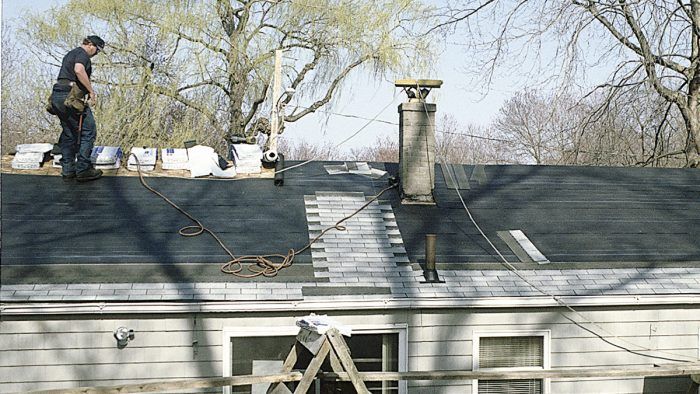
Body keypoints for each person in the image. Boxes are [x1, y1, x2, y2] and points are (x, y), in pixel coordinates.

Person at [50, 35, 105, 182]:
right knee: (89, 131)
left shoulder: (71, 53)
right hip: (69, 97)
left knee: (68, 133)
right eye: (98, 51)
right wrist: (91, 91)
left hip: (57, 96)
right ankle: (83, 169)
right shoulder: (83, 54)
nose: (96, 54)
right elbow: (79, 70)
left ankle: (68, 170)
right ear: (91, 45)